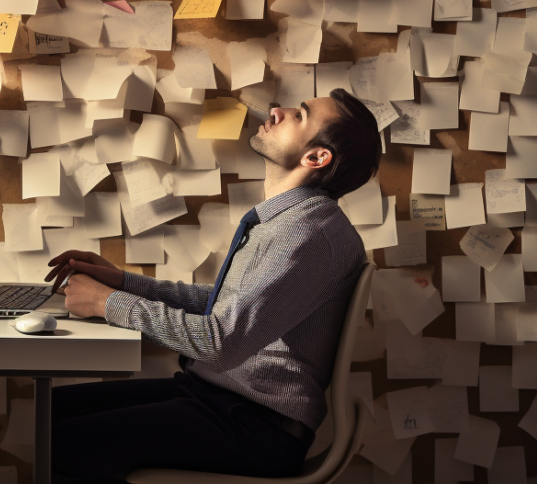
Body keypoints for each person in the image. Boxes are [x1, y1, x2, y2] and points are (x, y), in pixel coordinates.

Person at [45, 88, 382, 484]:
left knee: (67, 443)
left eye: (300, 115)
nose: (278, 111)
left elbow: (219, 341)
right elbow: (224, 309)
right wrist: (123, 283)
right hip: (220, 400)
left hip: (255, 427)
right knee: (47, 412)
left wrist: (108, 303)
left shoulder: (305, 234)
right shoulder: (293, 221)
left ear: (316, 157)